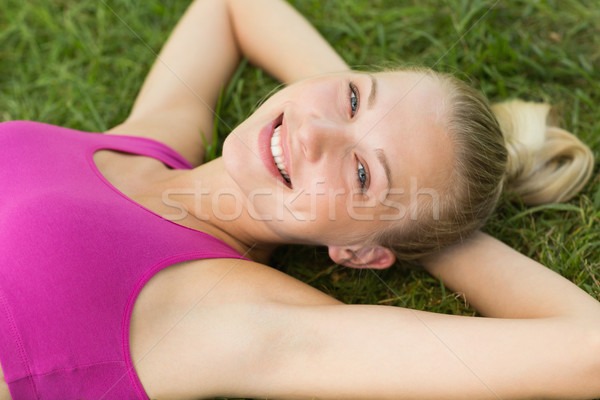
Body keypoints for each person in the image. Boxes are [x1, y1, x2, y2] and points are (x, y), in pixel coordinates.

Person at [0, 0, 598, 399]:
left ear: (359, 253)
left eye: (363, 173)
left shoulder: (238, 320)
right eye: (355, 98)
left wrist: (434, 235)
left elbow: (588, 352)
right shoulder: (149, 140)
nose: (311, 134)